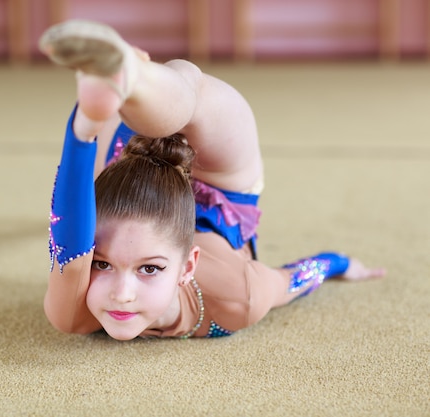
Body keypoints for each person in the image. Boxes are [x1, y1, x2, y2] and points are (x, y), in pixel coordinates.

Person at [40, 19, 385, 341]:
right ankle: (132, 77)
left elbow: (66, 238)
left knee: (185, 91)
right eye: (101, 263)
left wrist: (85, 127)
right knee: (188, 95)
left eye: (149, 269)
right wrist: (340, 262)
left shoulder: (233, 294)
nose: (122, 294)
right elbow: (296, 278)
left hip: (130, 151)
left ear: (187, 267)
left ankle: (131, 77)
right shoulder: (240, 297)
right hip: (225, 191)